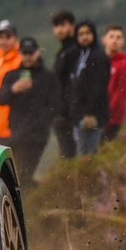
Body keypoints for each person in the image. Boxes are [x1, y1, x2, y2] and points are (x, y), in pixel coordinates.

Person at [0, 36, 63, 190]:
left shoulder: (48, 77)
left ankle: (28, 206)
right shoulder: (12, 75)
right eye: (24, 53)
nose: (28, 57)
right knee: (15, 175)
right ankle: (32, 199)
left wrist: (43, 121)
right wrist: (13, 89)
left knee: (23, 175)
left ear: (38, 53)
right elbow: (0, 98)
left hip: (37, 135)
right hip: (15, 133)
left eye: (31, 53)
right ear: (20, 53)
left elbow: (56, 105)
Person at [66, 20, 112, 156]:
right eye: (80, 34)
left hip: (93, 115)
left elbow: (99, 86)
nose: (84, 37)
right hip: (79, 114)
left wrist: (90, 113)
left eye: (87, 33)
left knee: (90, 155)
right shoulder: (79, 55)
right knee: (81, 152)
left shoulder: (99, 56)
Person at [49, 10, 79, 159]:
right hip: (60, 110)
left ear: (72, 26)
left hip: (70, 112)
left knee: (70, 153)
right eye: (56, 26)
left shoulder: (75, 50)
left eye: (63, 25)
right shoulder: (62, 51)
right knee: (65, 153)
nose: (59, 30)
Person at [102, 24, 126, 142]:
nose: (114, 40)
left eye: (118, 37)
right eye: (111, 37)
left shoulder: (124, 64)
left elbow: (120, 95)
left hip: (112, 118)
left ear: (123, 41)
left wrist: (108, 118)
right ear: (104, 39)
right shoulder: (99, 61)